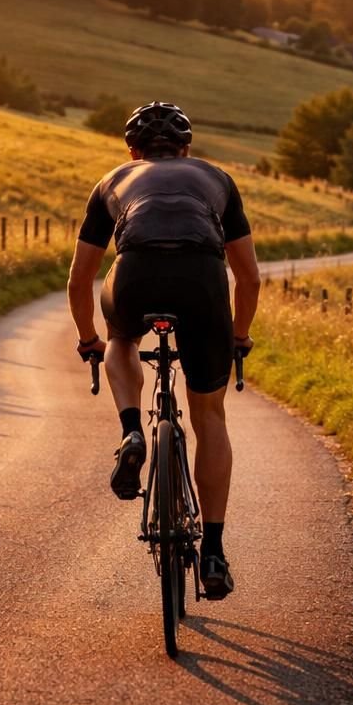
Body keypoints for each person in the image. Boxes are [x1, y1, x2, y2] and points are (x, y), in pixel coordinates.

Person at [66, 101, 261, 600]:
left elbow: (81, 276)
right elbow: (249, 276)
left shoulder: (112, 180)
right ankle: (213, 554)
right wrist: (238, 336)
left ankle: (133, 433)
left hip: (136, 275)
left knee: (121, 340)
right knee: (210, 417)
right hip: (203, 283)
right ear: (186, 148)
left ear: (132, 152)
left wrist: (90, 338)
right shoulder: (217, 178)